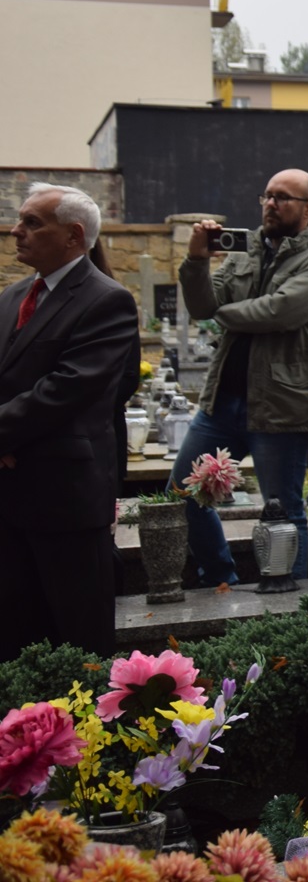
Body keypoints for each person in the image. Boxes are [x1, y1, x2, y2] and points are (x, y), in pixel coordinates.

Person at [175, 169, 308, 585]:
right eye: (267, 196)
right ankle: (221, 579)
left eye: (283, 197)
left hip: (282, 405)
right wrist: (196, 260)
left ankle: (289, 600)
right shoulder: (242, 252)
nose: (271, 204)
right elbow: (200, 306)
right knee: (184, 494)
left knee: (282, 509)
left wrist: (221, 314)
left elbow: (278, 312)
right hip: (222, 402)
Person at [0, 183, 139, 659]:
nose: (16, 231)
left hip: (64, 500)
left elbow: (66, 390)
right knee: (14, 641)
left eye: (32, 223)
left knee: (77, 645)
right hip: (8, 495)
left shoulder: (106, 300)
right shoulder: (13, 296)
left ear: (74, 236)